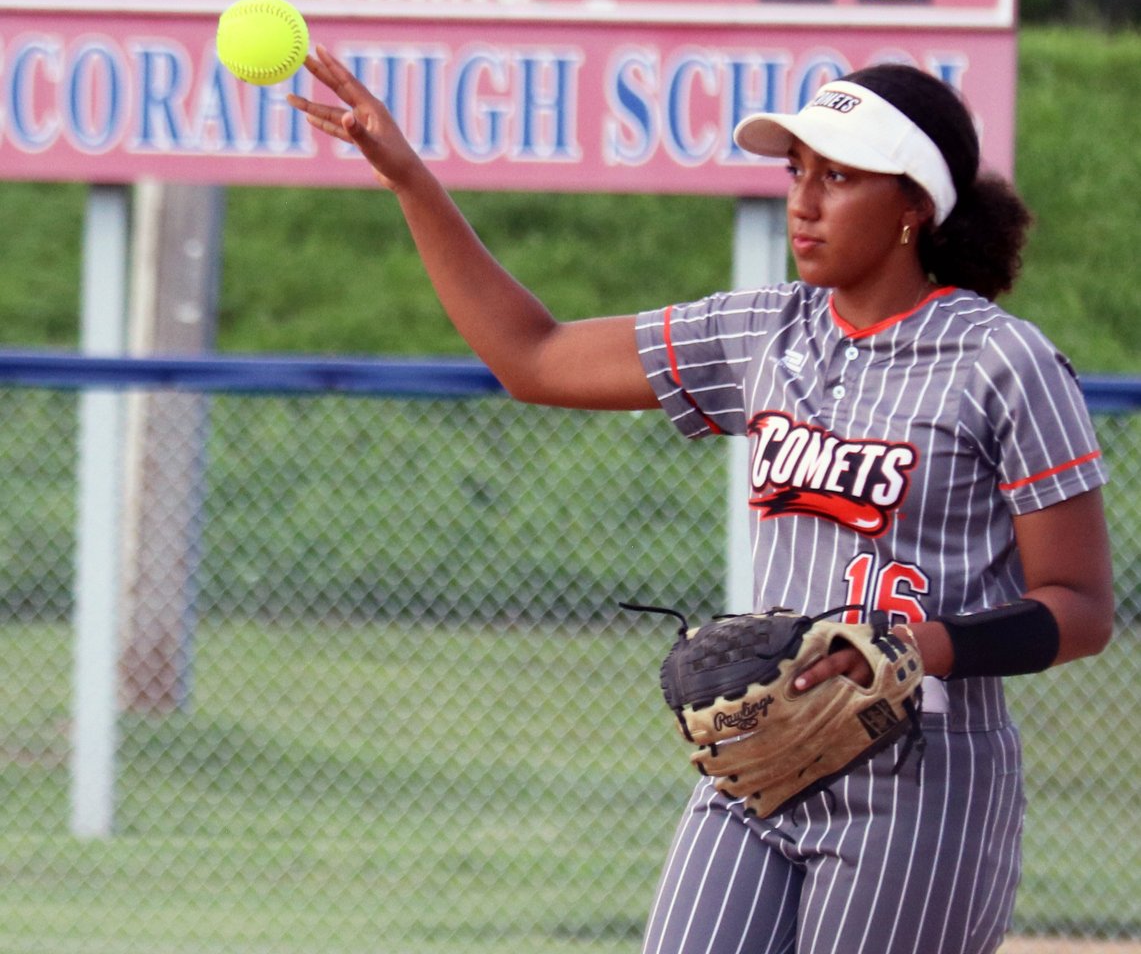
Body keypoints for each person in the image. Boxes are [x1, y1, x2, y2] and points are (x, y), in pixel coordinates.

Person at [289, 50, 1114, 954]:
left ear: (914, 201)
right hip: (759, 749)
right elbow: (533, 356)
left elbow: (1078, 609)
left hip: (923, 775)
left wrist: (920, 646)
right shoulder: (764, 330)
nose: (802, 200)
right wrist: (411, 181)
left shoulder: (1004, 363)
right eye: (797, 171)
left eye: (838, 176)